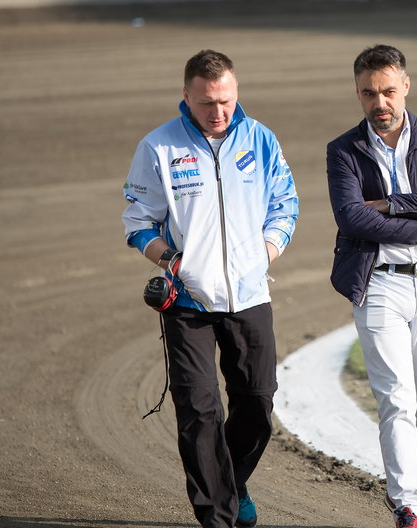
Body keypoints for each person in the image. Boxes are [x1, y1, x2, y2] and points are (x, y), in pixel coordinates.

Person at [121, 49, 298, 528]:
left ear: (236, 92)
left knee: (258, 402)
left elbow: (286, 204)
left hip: (250, 296)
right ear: (186, 96)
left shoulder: (260, 139)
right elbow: (137, 220)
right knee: (198, 410)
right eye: (206, 103)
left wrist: (264, 254)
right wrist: (171, 259)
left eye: (226, 100)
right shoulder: (158, 147)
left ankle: (233, 483)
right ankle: (217, 518)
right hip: (187, 302)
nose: (218, 112)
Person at [326, 44, 417, 528]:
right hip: (379, 287)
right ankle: (408, 502)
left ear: (406, 87)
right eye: (369, 93)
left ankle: (413, 484)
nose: (380, 102)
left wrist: (389, 205)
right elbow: (351, 218)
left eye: (389, 91)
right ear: (357, 93)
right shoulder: (343, 150)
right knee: (396, 397)